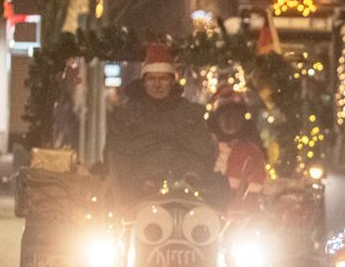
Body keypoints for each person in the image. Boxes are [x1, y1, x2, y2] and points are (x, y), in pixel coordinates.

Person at [105, 43, 217, 207]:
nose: (157, 84)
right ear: (144, 81)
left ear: (172, 81)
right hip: (136, 196)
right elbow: (117, 154)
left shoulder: (190, 114)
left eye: (163, 78)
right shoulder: (125, 116)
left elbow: (201, 151)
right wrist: (138, 180)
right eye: (152, 78)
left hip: (185, 195)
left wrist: (191, 176)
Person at [208, 89, 267, 216]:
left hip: (240, 215)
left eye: (235, 117)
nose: (230, 122)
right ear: (216, 121)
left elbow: (256, 185)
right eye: (225, 117)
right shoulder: (207, 147)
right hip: (208, 210)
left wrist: (244, 206)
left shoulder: (251, 152)